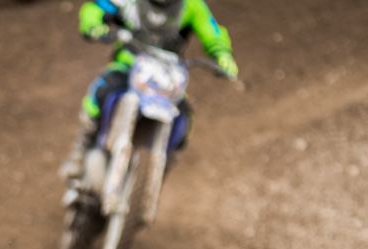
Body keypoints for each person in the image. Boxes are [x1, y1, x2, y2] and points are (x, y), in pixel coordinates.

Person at [59, 0, 238, 182]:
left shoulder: (191, 5)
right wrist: (93, 25)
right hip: (129, 64)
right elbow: (97, 7)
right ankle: (81, 150)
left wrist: (223, 55)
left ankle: (158, 172)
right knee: (103, 89)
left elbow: (212, 31)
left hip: (167, 75)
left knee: (184, 117)